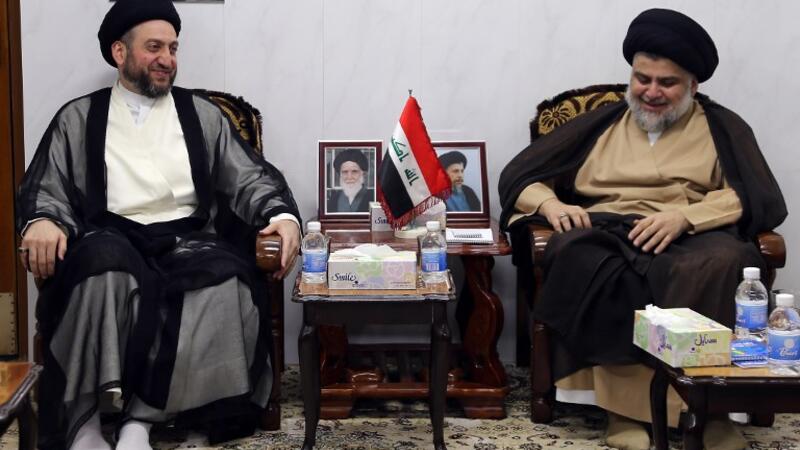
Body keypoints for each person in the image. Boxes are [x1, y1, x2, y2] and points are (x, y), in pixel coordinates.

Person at [15, 1, 301, 449]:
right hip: (108, 236)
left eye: (173, 48)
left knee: (224, 279)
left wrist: (281, 217)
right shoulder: (79, 117)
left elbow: (247, 177)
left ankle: (140, 423)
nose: (167, 58)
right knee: (101, 269)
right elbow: (48, 185)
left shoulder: (202, 114)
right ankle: (85, 425)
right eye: (154, 47)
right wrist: (43, 221)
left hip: (187, 239)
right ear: (119, 52)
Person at [498, 8, 785, 450]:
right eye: (642, 79)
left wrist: (687, 217)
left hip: (692, 234)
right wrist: (551, 204)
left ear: (693, 85)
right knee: (586, 259)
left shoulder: (722, 127)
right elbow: (520, 176)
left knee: (724, 261)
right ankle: (625, 412)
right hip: (607, 230)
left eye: (666, 83)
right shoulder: (600, 123)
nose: (651, 92)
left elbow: (755, 195)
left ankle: (707, 410)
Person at [327, 148, 374, 212]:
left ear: (363, 174)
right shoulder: (333, 199)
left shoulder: (373, 197)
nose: (349, 177)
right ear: (340, 175)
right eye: (345, 172)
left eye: (354, 171)